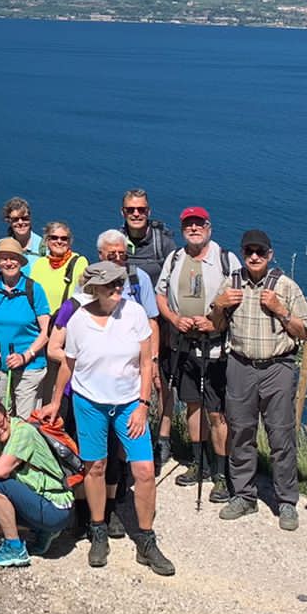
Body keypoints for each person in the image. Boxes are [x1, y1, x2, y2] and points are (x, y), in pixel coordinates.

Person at [42, 260, 173, 575]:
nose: (118, 289)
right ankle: (98, 530)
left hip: (129, 403)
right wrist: (55, 402)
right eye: (110, 285)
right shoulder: (78, 321)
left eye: (119, 283)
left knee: (144, 470)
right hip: (89, 403)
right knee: (95, 467)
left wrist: (144, 404)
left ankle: (146, 538)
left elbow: (145, 363)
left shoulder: (134, 314)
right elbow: (68, 366)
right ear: (94, 289)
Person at [213, 229, 307, 529]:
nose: (254, 257)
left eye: (260, 252)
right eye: (248, 252)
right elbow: (216, 326)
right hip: (240, 365)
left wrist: (281, 310)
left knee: (280, 436)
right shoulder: (231, 284)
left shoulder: (285, 286)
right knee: (241, 432)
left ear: (270, 255)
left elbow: (305, 331)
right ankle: (244, 495)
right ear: (242, 254)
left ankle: (286, 501)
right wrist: (220, 305)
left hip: (277, 368)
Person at [157, 204, 236, 500]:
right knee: (192, 405)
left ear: (209, 227)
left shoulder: (225, 259)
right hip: (184, 344)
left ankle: (221, 473)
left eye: (198, 224)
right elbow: (160, 293)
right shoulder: (175, 258)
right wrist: (174, 319)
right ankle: (198, 463)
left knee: (216, 412)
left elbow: (236, 300)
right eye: (188, 224)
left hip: (215, 347)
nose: (193, 228)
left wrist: (213, 320)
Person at [0, 394, 75, 568]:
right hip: (37, 499)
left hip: (55, 505)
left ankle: (15, 548)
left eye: (0, 424)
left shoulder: (23, 432)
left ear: (6, 415)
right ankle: (42, 531)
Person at [120, 188, 178, 466]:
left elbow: (175, 279)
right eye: (131, 209)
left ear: (148, 211)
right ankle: (128, 435)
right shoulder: (117, 241)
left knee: (162, 382)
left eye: (140, 209)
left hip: (160, 324)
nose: (136, 214)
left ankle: (163, 438)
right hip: (124, 327)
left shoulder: (162, 243)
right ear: (123, 212)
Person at [0, 237, 52, 420]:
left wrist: (25, 355)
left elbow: (46, 331)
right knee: (1, 418)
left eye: (13, 258)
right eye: (4, 258)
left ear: (20, 261)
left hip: (29, 367)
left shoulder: (34, 289)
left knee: (25, 422)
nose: (9, 262)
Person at [28, 220, 86, 313]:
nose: (59, 241)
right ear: (47, 240)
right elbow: (31, 292)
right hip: (40, 319)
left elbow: (82, 295)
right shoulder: (40, 263)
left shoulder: (79, 262)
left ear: (69, 242)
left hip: (64, 321)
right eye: (54, 238)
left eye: (64, 238)